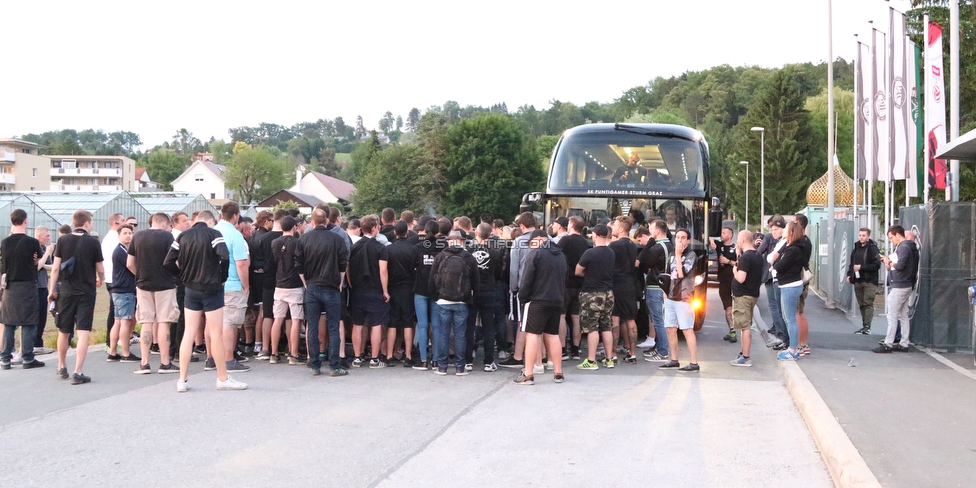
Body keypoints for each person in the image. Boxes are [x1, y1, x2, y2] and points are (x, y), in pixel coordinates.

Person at [164, 210, 246, 392]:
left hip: (191, 288)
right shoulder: (214, 234)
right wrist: (221, 277)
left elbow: (168, 261)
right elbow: (224, 257)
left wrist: (182, 278)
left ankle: (182, 380)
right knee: (216, 334)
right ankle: (222, 378)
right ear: (211, 221)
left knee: (189, 332)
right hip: (212, 288)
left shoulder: (183, 236)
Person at [49, 210, 104, 385]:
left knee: (64, 331)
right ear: (87, 223)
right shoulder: (93, 242)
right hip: (86, 291)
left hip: (67, 290)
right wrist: (100, 279)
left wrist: (52, 290)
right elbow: (100, 268)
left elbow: (56, 268)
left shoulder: (62, 240)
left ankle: (61, 365)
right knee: (83, 332)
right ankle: (78, 371)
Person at [296, 208, 349, 377]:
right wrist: (340, 281)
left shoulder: (304, 238)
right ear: (327, 221)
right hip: (332, 286)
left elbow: (298, 263)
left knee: (312, 326)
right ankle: (334, 365)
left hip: (312, 286)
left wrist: (305, 283)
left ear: (312, 222)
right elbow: (343, 262)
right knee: (333, 327)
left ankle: (315, 365)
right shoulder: (337, 238)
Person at [128, 212, 179, 374]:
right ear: (164, 224)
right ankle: (165, 362)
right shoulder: (167, 238)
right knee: (164, 322)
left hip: (143, 284)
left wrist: (140, 274)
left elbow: (129, 263)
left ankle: (144, 363)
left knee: (146, 322)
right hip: (165, 284)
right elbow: (175, 261)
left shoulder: (137, 236)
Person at [514, 229, 567, 385]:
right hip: (557, 299)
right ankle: (558, 372)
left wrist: (523, 297)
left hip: (536, 300)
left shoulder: (536, 254)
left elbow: (526, 278)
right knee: (553, 335)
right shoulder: (561, 255)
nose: (530, 247)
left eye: (531, 243)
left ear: (538, 239)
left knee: (532, 335)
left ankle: (528, 374)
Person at [428, 229, 478, 376]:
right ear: (462, 241)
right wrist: (472, 298)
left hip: (443, 300)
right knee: (460, 334)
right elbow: (476, 281)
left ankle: (442, 367)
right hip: (462, 301)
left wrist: (436, 296)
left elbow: (432, 279)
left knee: (443, 333)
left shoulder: (441, 256)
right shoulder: (469, 257)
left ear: (449, 241)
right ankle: (459, 367)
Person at [0, 209, 46, 370]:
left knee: (9, 322)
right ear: (25, 221)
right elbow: (37, 261)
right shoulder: (32, 242)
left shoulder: (5, 242)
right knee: (29, 322)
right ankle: (27, 357)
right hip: (27, 284)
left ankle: (5, 358)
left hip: (10, 287)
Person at [347, 215, 391, 368]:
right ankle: (374, 359)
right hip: (375, 290)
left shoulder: (353, 247)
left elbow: (347, 268)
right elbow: (383, 271)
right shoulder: (381, 248)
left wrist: (352, 284)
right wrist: (385, 291)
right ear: (374, 228)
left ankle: (357, 357)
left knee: (357, 324)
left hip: (358, 290)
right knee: (376, 324)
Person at [214, 202, 251, 373]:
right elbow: (241, 264)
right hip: (232, 283)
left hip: (212, 284)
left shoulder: (213, 231)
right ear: (236, 215)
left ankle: (212, 356)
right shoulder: (235, 236)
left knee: (214, 323)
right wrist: (246, 286)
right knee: (230, 323)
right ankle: (229, 358)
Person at [574, 224, 616, 370]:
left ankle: (591, 361)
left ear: (596, 235)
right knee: (606, 326)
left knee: (592, 327)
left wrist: (590, 275)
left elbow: (578, 271)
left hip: (591, 293)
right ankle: (609, 358)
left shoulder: (589, 253)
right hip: (608, 293)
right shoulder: (611, 253)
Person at [659, 228, 700, 372]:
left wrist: (678, 255)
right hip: (670, 296)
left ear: (688, 241)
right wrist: (665, 291)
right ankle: (674, 359)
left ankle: (694, 362)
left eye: (683, 238)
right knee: (670, 328)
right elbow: (668, 274)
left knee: (687, 329)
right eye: (677, 238)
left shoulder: (691, 255)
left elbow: (682, 274)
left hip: (684, 297)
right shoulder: (671, 254)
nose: (680, 240)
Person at [874, 226, 919, 353]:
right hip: (907, 284)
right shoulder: (911, 247)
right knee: (903, 315)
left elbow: (900, 265)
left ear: (898, 235)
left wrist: (888, 262)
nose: (891, 240)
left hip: (900, 284)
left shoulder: (903, 247)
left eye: (891, 237)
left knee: (892, 315)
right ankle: (904, 343)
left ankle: (888, 343)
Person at [467, 222, 503, 371]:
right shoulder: (495, 252)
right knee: (489, 327)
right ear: (490, 235)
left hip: (472, 292)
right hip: (489, 291)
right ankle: (488, 361)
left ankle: (467, 361)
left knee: (469, 327)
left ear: (476, 234)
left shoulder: (468, 251)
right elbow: (499, 274)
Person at [270, 216, 305, 364]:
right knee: (296, 319)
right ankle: (294, 354)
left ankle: (274, 353)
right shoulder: (298, 243)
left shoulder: (274, 242)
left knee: (278, 319)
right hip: (295, 284)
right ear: (295, 227)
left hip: (279, 283)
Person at [637, 219, 672, 362]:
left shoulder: (658, 247)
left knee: (658, 320)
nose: (649, 231)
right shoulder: (668, 244)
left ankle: (663, 351)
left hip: (655, 285)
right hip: (661, 285)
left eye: (651, 228)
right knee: (658, 319)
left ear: (657, 231)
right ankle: (658, 347)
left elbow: (644, 263)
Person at [412, 219, 444, 371]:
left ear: (424, 231)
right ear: (438, 232)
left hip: (420, 288)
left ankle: (423, 359)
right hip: (437, 290)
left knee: (422, 325)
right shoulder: (442, 247)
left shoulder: (418, 247)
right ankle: (436, 360)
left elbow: (413, 267)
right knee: (437, 326)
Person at [772, 222, 807, 361]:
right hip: (789, 285)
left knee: (790, 319)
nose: (784, 231)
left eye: (786, 229)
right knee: (789, 318)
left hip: (790, 286)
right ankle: (793, 348)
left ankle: (793, 349)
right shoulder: (792, 247)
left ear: (791, 232)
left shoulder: (793, 250)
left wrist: (775, 263)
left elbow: (780, 265)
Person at [386, 221, 418, 367]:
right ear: (407, 232)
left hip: (392, 288)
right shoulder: (413, 249)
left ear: (395, 233)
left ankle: (389, 355)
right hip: (408, 288)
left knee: (392, 323)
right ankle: (408, 355)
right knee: (407, 322)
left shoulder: (389, 249)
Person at [557, 216, 589, 360]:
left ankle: (562, 349)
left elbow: (557, 256)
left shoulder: (565, 240)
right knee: (576, 317)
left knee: (562, 316)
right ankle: (576, 349)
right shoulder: (585, 242)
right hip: (580, 283)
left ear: (571, 225)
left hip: (565, 282)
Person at [106, 224, 139, 363]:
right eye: (124, 233)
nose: (128, 235)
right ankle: (125, 353)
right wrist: (140, 276)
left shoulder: (124, 250)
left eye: (130, 233)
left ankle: (113, 352)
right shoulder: (120, 251)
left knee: (118, 321)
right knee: (125, 322)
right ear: (119, 235)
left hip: (119, 290)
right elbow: (130, 265)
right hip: (124, 289)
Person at [730, 230, 763, 367]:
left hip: (743, 295)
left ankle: (746, 356)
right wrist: (739, 255)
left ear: (743, 240)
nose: (737, 242)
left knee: (745, 326)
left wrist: (735, 271)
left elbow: (741, 278)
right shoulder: (757, 255)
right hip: (753, 293)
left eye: (738, 239)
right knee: (746, 324)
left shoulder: (746, 258)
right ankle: (743, 352)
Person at [609, 216, 639, 363]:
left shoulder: (614, 246)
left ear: (621, 229)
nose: (612, 228)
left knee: (615, 319)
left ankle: (613, 354)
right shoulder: (633, 246)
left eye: (614, 226)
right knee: (630, 319)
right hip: (630, 284)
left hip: (616, 285)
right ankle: (632, 353)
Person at [757, 216, 788, 349]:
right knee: (778, 307)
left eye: (776, 229)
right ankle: (781, 332)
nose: (774, 232)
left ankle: (781, 335)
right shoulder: (783, 240)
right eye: (772, 229)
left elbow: (759, 253)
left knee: (775, 307)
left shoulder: (773, 239)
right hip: (774, 276)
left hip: (774, 276)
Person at [847, 227, 881, 335]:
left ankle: (867, 326)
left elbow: (876, 265)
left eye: (864, 235)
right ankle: (864, 325)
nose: (861, 237)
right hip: (858, 280)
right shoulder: (856, 248)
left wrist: (862, 267)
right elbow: (851, 264)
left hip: (869, 281)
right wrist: (849, 275)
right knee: (861, 304)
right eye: (860, 235)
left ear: (868, 236)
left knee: (868, 303)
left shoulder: (872, 249)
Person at [711, 225, 738, 343]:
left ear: (730, 235)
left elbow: (741, 263)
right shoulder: (719, 246)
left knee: (731, 307)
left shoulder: (736, 248)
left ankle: (734, 330)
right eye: (721, 232)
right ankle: (731, 330)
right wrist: (710, 239)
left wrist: (729, 261)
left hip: (734, 281)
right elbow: (707, 237)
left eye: (724, 233)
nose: (722, 235)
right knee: (727, 307)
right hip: (723, 281)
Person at [100, 213, 123, 349]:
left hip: (111, 277)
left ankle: (112, 341)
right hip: (115, 278)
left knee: (115, 311)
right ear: (116, 223)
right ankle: (111, 342)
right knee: (116, 313)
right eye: (122, 221)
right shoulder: (114, 238)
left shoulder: (108, 238)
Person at [791, 214, 813, 356]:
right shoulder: (806, 241)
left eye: (793, 223)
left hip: (798, 281)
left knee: (797, 313)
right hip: (802, 281)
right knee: (800, 312)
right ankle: (803, 344)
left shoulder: (801, 243)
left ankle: (800, 344)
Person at [33, 226, 55, 356]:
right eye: (47, 235)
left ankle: (38, 343)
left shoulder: (43, 249)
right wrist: (47, 252)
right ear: (39, 236)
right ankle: (33, 343)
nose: (49, 238)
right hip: (35, 286)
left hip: (43, 286)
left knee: (42, 315)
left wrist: (43, 264)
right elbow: (37, 266)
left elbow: (51, 266)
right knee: (35, 315)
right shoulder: (36, 248)